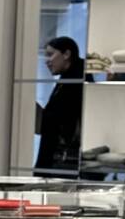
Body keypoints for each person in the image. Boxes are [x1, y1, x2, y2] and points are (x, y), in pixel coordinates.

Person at [35, 35, 90, 171]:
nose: (47, 61)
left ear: (66, 54)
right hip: (60, 158)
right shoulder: (68, 79)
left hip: (63, 159)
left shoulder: (76, 80)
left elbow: (60, 120)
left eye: (50, 55)